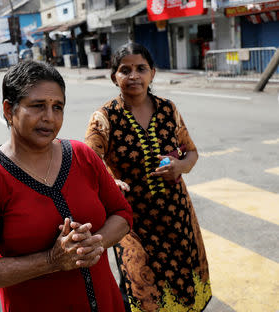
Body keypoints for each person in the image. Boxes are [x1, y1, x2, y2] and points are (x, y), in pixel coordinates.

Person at [0, 60, 133, 312]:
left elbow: (122, 213)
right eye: (38, 106)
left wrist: (97, 241)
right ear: (9, 110)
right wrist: (51, 261)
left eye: (57, 107)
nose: (49, 118)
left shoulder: (82, 156)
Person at [84, 43, 212, 312]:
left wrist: (180, 167)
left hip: (177, 217)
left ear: (152, 73)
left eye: (141, 69)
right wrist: (110, 183)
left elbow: (192, 153)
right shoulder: (104, 118)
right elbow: (89, 165)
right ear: (113, 77)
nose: (133, 76)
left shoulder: (168, 110)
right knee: (139, 287)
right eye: (125, 70)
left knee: (183, 283)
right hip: (132, 222)